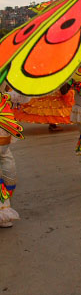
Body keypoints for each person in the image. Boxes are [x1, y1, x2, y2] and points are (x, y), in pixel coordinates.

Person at [0, 93, 23, 228]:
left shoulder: (7, 95)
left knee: (11, 177)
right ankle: (3, 211)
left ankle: (4, 208)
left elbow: (22, 95)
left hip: (5, 146)